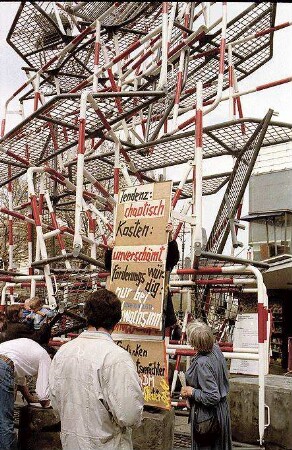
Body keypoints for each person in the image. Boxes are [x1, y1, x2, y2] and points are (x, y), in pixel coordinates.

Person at [49, 288, 144, 450]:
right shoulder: (116, 357)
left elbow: (56, 403)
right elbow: (129, 415)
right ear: (117, 320)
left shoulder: (64, 351)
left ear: (87, 316)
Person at [104, 223, 180, 329]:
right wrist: (110, 250)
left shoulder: (159, 258)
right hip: (128, 316)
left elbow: (172, 259)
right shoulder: (126, 258)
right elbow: (110, 266)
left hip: (157, 316)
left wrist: (170, 239)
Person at [180, 320, 232, 450]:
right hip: (221, 413)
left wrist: (192, 392)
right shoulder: (216, 349)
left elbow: (212, 396)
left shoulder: (203, 363)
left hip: (208, 416)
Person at [0, 338, 51, 450]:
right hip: (3, 366)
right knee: (4, 422)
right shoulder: (45, 356)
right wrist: (47, 403)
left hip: (3, 364)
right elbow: (43, 394)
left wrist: (29, 398)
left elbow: (19, 379)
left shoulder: (28, 349)